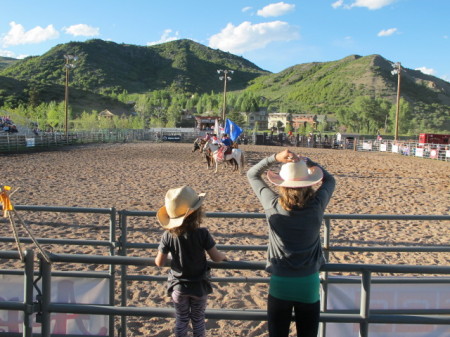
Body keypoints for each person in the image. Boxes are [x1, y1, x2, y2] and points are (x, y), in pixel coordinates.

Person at [247, 149, 335, 337]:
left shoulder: (272, 204)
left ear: (281, 184)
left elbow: (252, 174)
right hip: (308, 282)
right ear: (308, 184)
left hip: (280, 282)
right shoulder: (317, 204)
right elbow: (330, 180)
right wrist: (309, 163)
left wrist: (274, 158)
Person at [155, 185, 227, 337]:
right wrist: (224, 256)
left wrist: (170, 255)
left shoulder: (168, 236)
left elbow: (159, 262)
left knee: (181, 320)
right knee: (198, 320)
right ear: (196, 213)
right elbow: (215, 257)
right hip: (199, 287)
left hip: (178, 287)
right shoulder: (202, 233)